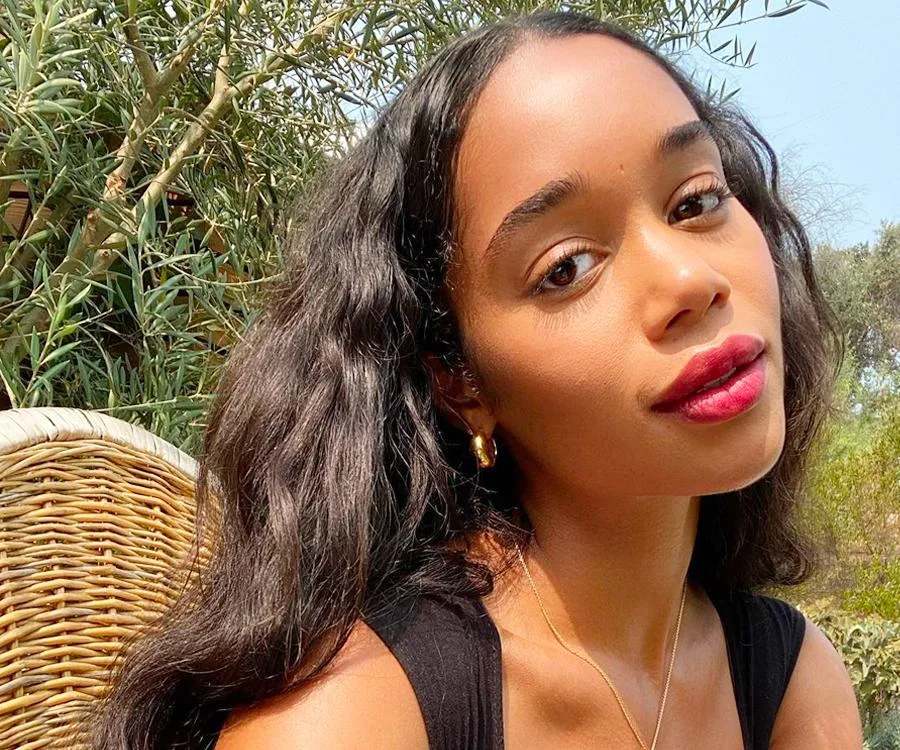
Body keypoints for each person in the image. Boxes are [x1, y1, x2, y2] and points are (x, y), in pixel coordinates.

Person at [87, 9, 864, 750]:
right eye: (566, 268)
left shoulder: (788, 678)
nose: (690, 279)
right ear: (461, 382)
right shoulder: (361, 714)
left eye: (696, 201)